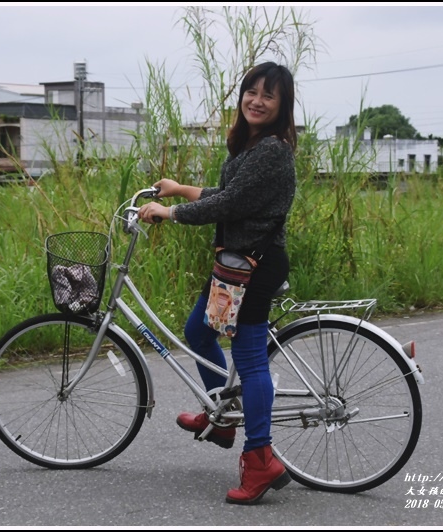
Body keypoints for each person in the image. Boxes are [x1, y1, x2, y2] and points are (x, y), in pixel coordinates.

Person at [138, 61, 297, 505]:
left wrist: (170, 213)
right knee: (198, 332)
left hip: (256, 266)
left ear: (282, 105)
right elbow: (231, 195)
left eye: (268, 95)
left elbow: (230, 204)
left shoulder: (272, 150)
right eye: (251, 91)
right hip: (234, 264)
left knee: (249, 359)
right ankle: (222, 416)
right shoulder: (250, 146)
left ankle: (260, 459)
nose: (256, 100)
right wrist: (181, 188)